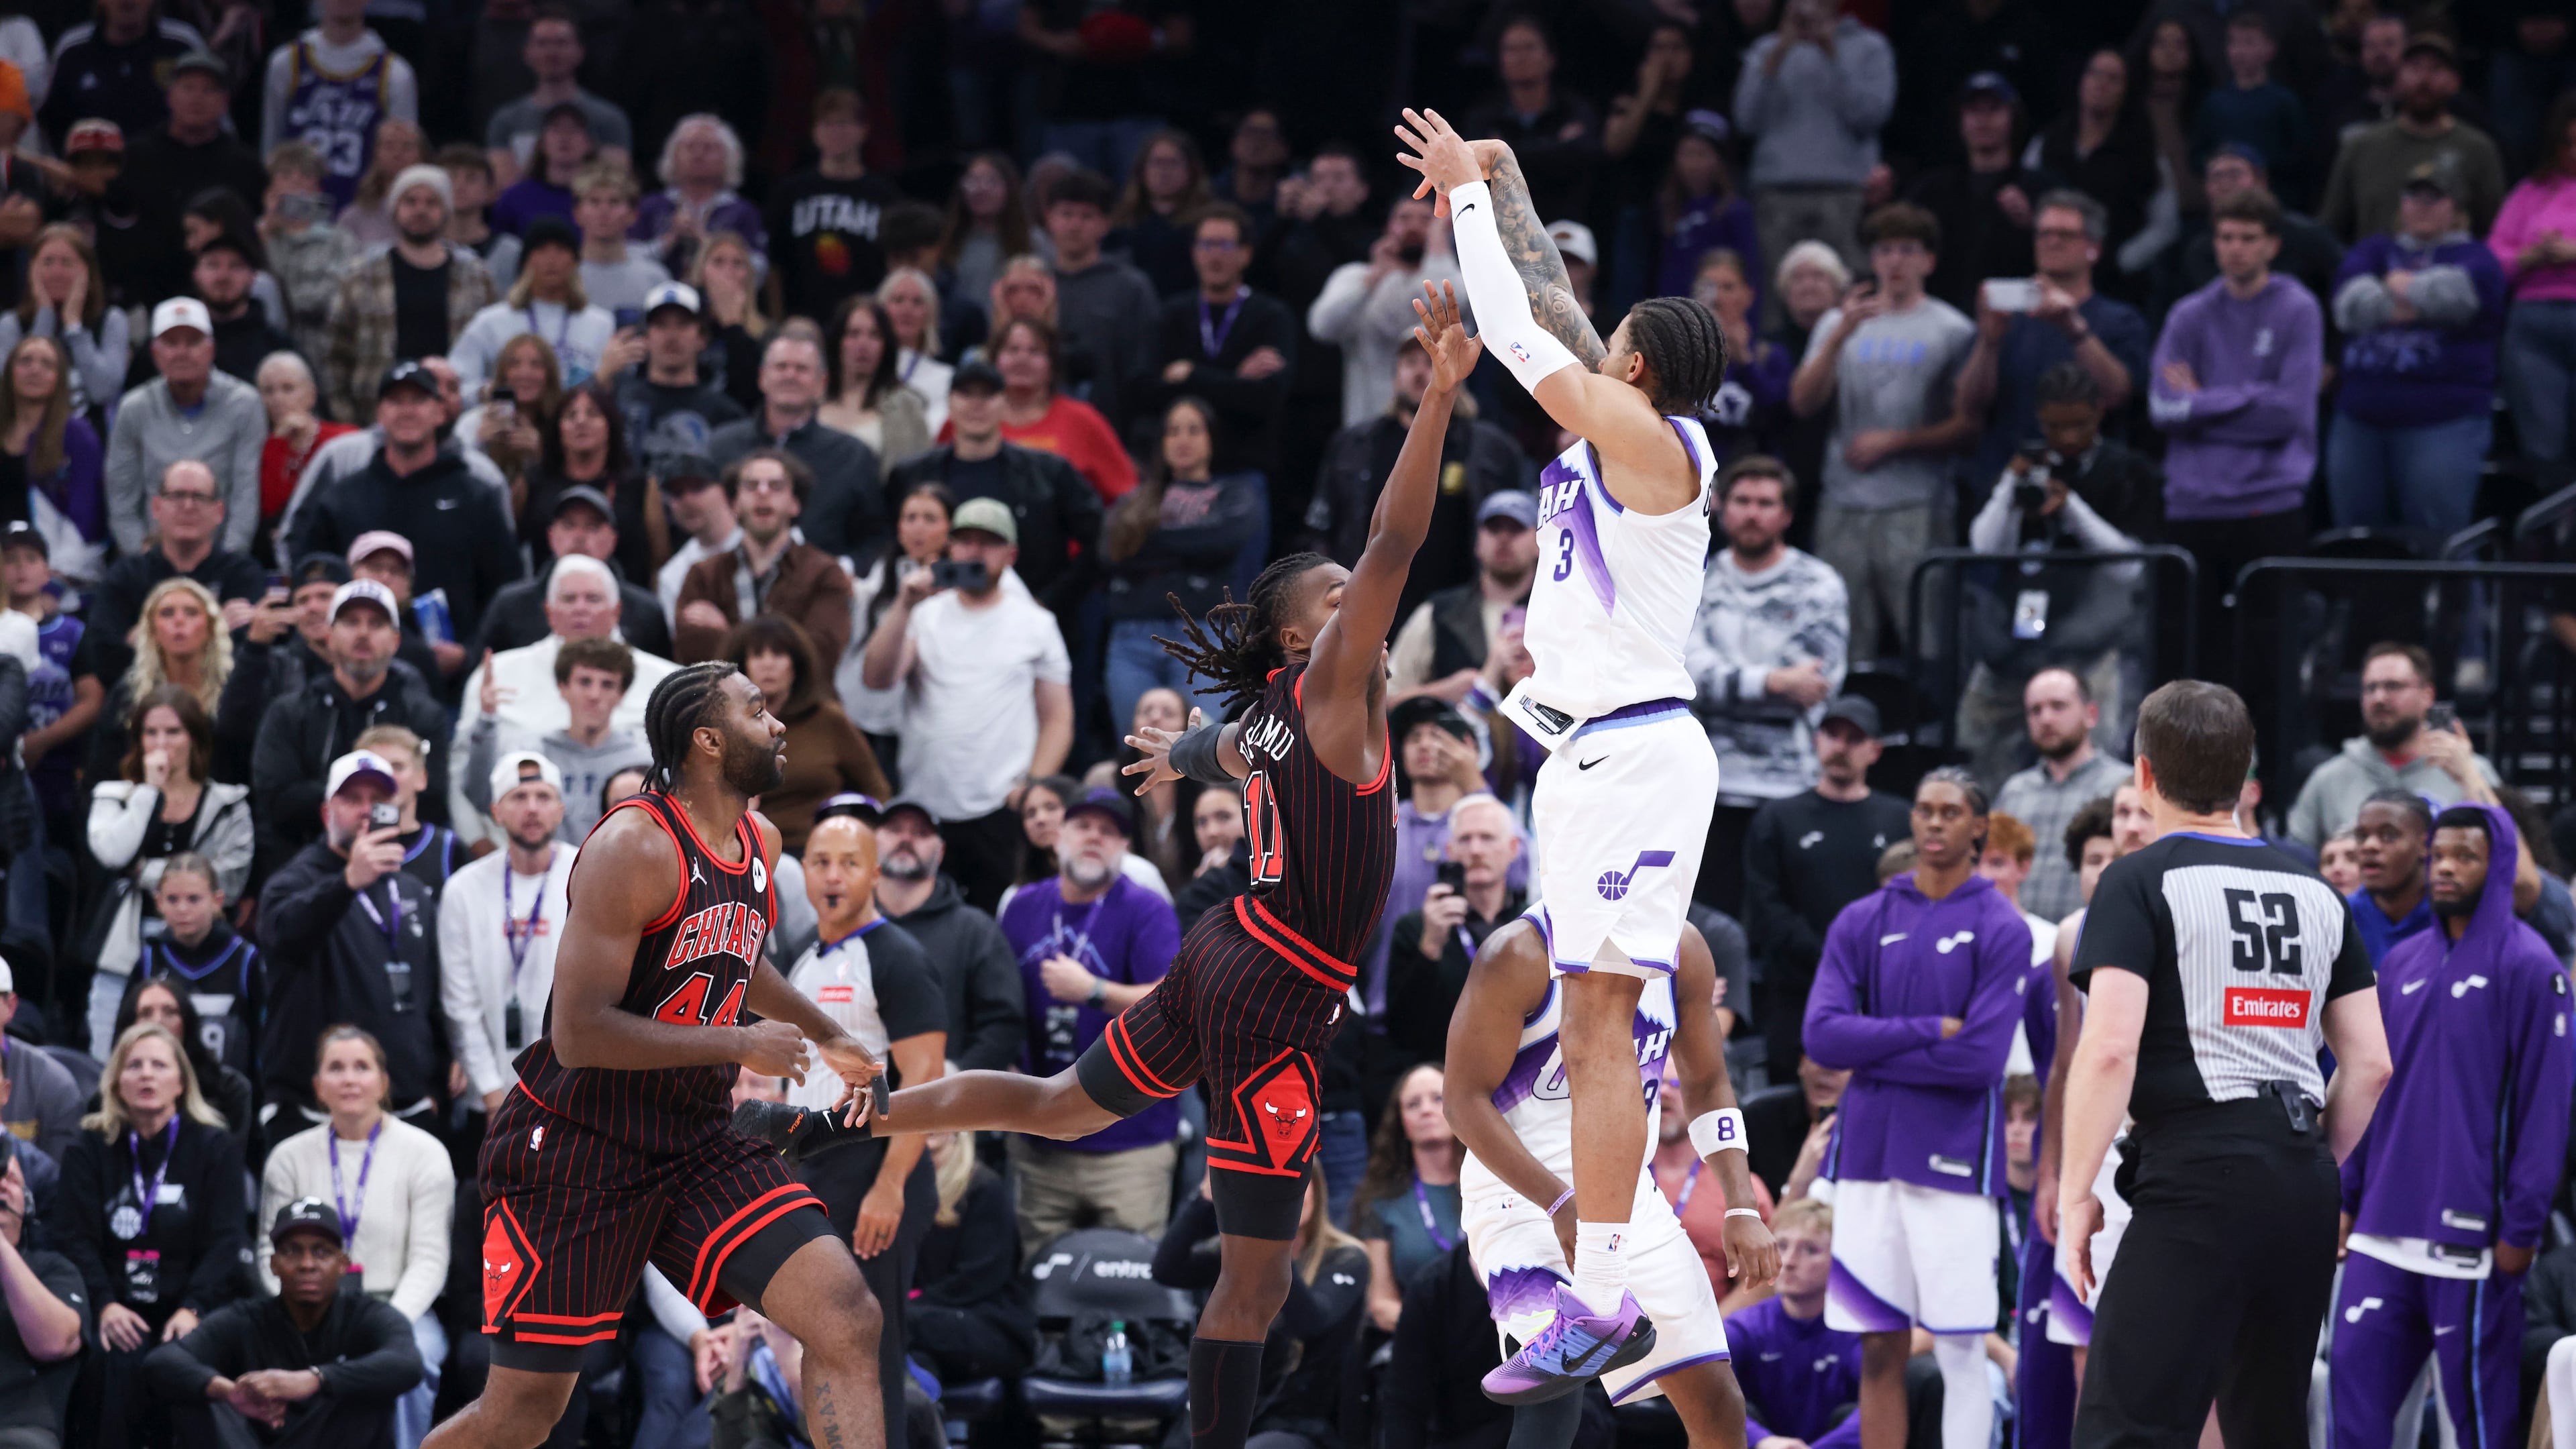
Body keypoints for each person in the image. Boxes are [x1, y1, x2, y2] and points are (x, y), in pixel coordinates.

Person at [827, 279, 1472, 1449]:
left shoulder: (1277, 712)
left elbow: (1218, 743)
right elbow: (1395, 537)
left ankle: (863, 1117)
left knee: (1059, 1107)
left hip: (1224, 952)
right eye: (1333, 604)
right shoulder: (1331, 687)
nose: (1357, 607)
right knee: (1258, 1282)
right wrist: (1434, 400)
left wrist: (1170, 753)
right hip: (1276, 985)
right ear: (1302, 637)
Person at [423, 661, 888, 1449]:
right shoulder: (631, 846)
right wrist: (739, 1040)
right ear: (708, 740)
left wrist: (828, 1032)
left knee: (846, 1314)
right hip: (576, 1147)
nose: (778, 726)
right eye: (756, 711)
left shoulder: (761, 838)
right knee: (525, 1415)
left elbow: (745, 959)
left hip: (695, 1136)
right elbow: (579, 1032)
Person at [2057, 680, 2392, 1444]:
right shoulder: (2315, 888)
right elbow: (2371, 1062)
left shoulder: (2139, 878)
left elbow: (2109, 1046)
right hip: (2302, 1177)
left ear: (2144, 775)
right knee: (2266, 1429)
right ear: (2246, 773)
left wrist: (2078, 1193)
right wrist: (2305, 1160)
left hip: (2197, 1174)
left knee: (2126, 1426)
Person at [1446, 910, 1778, 1434]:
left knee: (1718, 1403)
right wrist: (1556, 1201)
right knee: (1552, 1396)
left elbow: (1708, 1081)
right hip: (1521, 1197)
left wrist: (1741, 1203)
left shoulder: (1682, 948)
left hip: (1629, 1196)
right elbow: (1462, 1102)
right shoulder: (1520, 953)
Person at [1801, 767, 2030, 1449]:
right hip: (1868, 1160)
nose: (1933, 822)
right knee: (1878, 1344)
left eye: (1950, 812)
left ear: (1978, 825)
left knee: (1961, 1345)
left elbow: (1980, 1061)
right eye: (1924, 810)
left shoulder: (2000, 924)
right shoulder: (1863, 918)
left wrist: (1870, 1050)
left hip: (1955, 1162)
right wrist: (1929, 1029)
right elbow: (1820, 1036)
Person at [2330, 801, 2569, 1448]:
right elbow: (2371, 1086)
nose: (2445, 869)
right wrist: (2347, 1195)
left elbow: (2545, 1114)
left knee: (2476, 1427)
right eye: (2438, 855)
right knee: (2350, 1406)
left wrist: (2520, 1229)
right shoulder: (2402, 962)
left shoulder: (2531, 966)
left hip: (2472, 1244)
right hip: (2381, 1230)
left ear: (2498, 868)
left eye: (2465, 856)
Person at [743, 809, 945, 1448]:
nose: (833, 876)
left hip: (876, 1170)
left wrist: (891, 1186)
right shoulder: (804, 958)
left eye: (849, 864)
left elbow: (927, 1081)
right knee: (830, 1341)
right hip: (815, 1167)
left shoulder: (896, 957)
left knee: (874, 1349)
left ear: (875, 875)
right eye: (822, 863)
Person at [2149, 189, 2324, 694]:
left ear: (2272, 245)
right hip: (2192, 507)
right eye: (2226, 237)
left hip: (2268, 504)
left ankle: (2270, 769)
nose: (2236, 248)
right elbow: (2162, 409)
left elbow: (2287, 413)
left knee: (2267, 659)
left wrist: (2201, 404)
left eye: (2248, 238)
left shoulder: (2298, 309)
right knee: (2185, 663)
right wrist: (2247, 399)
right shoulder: (2188, 314)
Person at [860, 498, 1073, 910]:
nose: (975, 551)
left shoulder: (1035, 623)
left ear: (1010, 555)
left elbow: (1058, 718)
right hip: (926, 806)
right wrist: (904, 605)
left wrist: (1031, 787)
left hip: (1000, 806)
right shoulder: (924, 614)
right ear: (950, 549)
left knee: (998, 918)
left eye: (988, 543)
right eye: (966, 541)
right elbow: (877, 679)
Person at [1787, 203, 1977, 662]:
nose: (1895, 261)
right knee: (1842, 638)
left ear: (1928, 261)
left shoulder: (1952, 328)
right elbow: (1802, 402)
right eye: (1886, 250)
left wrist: (1898, 441)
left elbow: (1969, 425)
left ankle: (1926, 724)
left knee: (1926, 634)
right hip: (1843, 500)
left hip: (1916, 502)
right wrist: (1838, 335)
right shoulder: (1840, 322)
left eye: (1907, 250)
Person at [256, 1026, 453, 1448]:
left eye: (362, 1067)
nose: (349, 1079)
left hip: (399, 1309)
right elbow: (268, 1254)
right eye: (336, 1068)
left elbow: (430, 1260)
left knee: (410, 1362)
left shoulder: (426, 1154)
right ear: (317, 1087)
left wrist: (385, 1326)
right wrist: (305, 1320)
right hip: (306, 1312)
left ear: (383, 1083)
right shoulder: (287, 1157)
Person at [62, 1021, 248, 1449]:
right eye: (135, 1066)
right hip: (113, 1303)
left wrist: (194, 1309)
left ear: (181, 1082)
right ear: (117, 1081)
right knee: (115, 1359)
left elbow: (226, 1241)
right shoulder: (88, 1148)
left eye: (159, 1065)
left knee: (182, 1362)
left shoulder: (214, 1148)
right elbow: (75, 1239)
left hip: (191, 1305)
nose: (147, 1074)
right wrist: (104, 1304)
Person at [253, 745, 444, 1132]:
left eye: (378, 800)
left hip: (404, 1101)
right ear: (327, 814)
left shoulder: (410, 890)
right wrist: (346, 883)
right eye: (352, 799)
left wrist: (438, 1074)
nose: (365, 810)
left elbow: (433, 989)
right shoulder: (293, 881)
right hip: (313, 1110)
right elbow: (283, 933)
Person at [1688, 457, 1847, 917]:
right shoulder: (1698, 579)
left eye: (1765, 503)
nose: (1752, 513)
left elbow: (1820, 683)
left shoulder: (1818, 584)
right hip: (1713, 786)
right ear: (1720, 507)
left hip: (1790, 786)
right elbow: (1690, 676)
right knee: (1714, 926)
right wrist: (1774, 682)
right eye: (1742, 501)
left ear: (1786, 515)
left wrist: (1732, 683)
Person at [146, 1195, 423, 1449]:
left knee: (372, 1389)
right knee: (194, 1393)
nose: (306, 1264)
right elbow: (162, 1361)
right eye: (291, 1252)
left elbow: (407, 1362)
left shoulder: (366, 1314)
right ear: (273, 1264)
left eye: (322, 1252)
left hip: (334, 1437)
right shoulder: (246, 1318)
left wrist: (315, 1379)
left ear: (343, 1263)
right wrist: (230, 1392)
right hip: (258, 1441)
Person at [288, 364, 524, 654]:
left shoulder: (476, 497)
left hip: (453, 674)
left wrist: (469, 655)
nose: (407, 411)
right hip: (355, 666)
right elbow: (311, 577)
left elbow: (505, 590)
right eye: (396, 401)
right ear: (380, 414)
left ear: (440, 412)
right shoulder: (343, 497)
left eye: (419, 401)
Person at [2325, 162, 2508, 537]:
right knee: (2356, 540)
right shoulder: (2373, 248)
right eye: (2414, 197)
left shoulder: (2478, 258)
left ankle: (2455, 599)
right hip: (2359, 418)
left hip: (2444, 419)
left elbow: (2462, 296)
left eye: (2434, 198)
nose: (2422, 206)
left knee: (2440, 538)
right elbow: (2348, 306)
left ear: (2455, 207)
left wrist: (2394, 285)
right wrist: (2418, 301)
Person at [1741, 690, 1911, 1089]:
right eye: (1833, 735)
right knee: (1792, 1109)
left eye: (1854, 739)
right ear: (1816, 741)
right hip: (1798, 994)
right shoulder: (1778, 819)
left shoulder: (1901, 819)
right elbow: (1765, 907)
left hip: (1878, 995)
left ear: (1875, 750)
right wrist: (1830, 959)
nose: (1841, 747)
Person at [1307, 336, 1527, 628]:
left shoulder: (1493, 448)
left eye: (1430, 362)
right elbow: (1322, 529)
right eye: (1410, 362)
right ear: (1396, 374)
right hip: (1373, 601)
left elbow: (1523, 524)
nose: (1421, 372)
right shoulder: (1354, 444)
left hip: (1460, 606)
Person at [1150, 1160, 1368, 1449]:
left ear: (1317, 1190)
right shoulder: (1235, 1259)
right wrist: (1205, 1198)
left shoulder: (1348, 1258)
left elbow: (1312, 1322)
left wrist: (1273, 1240)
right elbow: (1167, 1269)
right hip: (1233, 1412)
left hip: (1303, 1423)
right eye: (1268, 1188)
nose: (1283, 1197)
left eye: (1293, 1185)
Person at [85, 686, 252, 1053]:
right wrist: (150, 793)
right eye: (151, 732)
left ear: (195, 738)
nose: (162, 743)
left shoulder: (228, 803)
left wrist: (145, 872)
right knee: (111, 1063)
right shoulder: (114, 795)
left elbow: (230, 879)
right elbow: (114, 853)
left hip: (203, 957)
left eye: (174, 732)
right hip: (123, 952)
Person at [1953, 191, 2153, 484]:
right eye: (2044, 233)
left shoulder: (2121, 320)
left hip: (2093, 484)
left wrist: (2074, 329)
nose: (2052, 242)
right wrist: (1989, 342)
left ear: (2093, 249)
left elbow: (2117, 394)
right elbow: (1969, 406)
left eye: (2066, 234)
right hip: (2008, 479)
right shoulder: (2006, 318)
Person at [885, 359, 1103, 621]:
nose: (977, 404)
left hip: (1028, 619)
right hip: (933, 618)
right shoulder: (911, 476)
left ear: (1004, 403)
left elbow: (1099, 540)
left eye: (988, 394)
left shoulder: (1049, 472)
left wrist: (1047, 601)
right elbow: (885, 542)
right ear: (950, 403)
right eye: (966, 394)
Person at [1099, 398, 1265, 729]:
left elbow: (1223, 540)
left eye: (1194, 430)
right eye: (1173, 431)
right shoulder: (1135, 499)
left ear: (1212, 439)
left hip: (1204, 638)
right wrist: (1193, 550)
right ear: (1161, 443)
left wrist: (1149, 542)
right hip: (1133, 637)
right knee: (1135, 750)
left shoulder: (1235, 493)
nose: (1183, 439)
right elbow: (1110, 552)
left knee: (1196, 751)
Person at [441, 749, 577, 1124]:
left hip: (573, 1091)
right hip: (492, 1095)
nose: (532, 808)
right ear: (496, 812)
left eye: (543, 797)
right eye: (518, 797)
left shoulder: (586, 873)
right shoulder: (463, 889)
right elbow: (460, 1001)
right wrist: (490, 1094)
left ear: (560, 809)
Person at [1733, 0, 1896, 299]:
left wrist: (1831, 53)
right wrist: (1780, 52)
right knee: (1776, 297)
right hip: (1776, 194)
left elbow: (1870, 115)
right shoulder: (1765, 49)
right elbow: (1746, 119)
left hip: (1845, 193)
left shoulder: (1870, 47)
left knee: (1848, 291)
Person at [321, 166, 500, 427]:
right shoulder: (360, 275)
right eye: (411, 201)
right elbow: (334, 354)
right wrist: (346, 420)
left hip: (456, 420)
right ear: (395, 210)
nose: (421, 210)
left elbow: (494, 352)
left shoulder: (475, 275)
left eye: (431, 202)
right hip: (374, 419)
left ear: (446, 211)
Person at [1128, 205, 1295, 481]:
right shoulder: (1171, 315)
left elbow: (1267, 397)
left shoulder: (1271, 317)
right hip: (1175, 472)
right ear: (1194, 252)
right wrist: (1236, 379)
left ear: (1246, 253)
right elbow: (1143, 389)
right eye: (1207, 245)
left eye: (1225, 245)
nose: (1215, 255)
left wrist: (1191, 375)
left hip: (1244, 469)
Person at [2287, 642, 2502, 847]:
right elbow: (2294, 863)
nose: (2379, 698)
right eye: (2370, 688)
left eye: (2393, 686)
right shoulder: (2329, 779)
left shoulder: (2469, 771)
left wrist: (2468, 775)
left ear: (2427, 695)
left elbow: (2511, 858)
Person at [106, 300, 269, 558]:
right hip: (150, 560)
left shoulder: (244, 404)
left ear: (211, 350)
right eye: (171, 343)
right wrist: (143, 562)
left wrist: (227, 562)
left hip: (222, 560)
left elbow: (245, 495)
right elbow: (122, 499)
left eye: (193, 342)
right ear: (156, 353)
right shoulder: (134, 408)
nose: (182, 352)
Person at [85, 459, 267, 690]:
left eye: (199, 497)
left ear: (219, 511)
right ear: (157, 508)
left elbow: (245, 657)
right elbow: (104, 657)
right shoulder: (125, 575)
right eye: (177, 496)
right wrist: (217, 625)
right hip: (141, 702)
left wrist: (146, 636)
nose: (188, 506)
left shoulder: (243, 573)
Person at [706, 331, 883, 557]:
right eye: (781, 367)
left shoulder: (854, 455)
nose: (790, 375)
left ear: (822, 383)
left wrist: (846, 572)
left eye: (802, 369)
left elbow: (876, 538)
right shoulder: (720, 447)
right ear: (762, 377)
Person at [2318, 34, 2506, 244]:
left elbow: (2495, 235)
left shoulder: (2479, 149)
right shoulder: (2360, 146)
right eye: (2414, 67)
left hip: (2452, 272)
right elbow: (2330, 228)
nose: (2424, 79)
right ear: (2398, 78)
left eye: (2436, 69)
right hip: (2372, 272)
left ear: (2455, 82)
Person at [1382, 794, 1525, 1068]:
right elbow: (1402, 1033)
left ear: (1513, 848)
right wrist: (1430, 948)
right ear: (1449, 851)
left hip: (1521, 1070)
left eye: (1487, 838)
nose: (1476, 850)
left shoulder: (1533, 925)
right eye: (1465, 839)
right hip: (1443, 1073)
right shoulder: (1416, 928)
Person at [674, 451, 854, 665]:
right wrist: (785, 645)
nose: (763, 493)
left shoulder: (825, 573)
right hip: (724, 699)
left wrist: (729, 634)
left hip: (801, 700)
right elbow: (691, 653)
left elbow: (822, 654)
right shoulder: (703, 575)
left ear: (795, 503)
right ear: (734, 504)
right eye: (751, 486)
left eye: (776, 486)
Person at [724, 617, 886, 851]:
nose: (768, 664)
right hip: (749, 849)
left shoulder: (828, 719)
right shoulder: (726, 724)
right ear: (742, 666)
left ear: (796, 666)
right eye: (758, 655)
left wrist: (860, 840)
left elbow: (876, 790)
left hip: (823, 849)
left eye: (779, 655)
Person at [1309, 195, 1462, 431]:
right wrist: (1374, 277)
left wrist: (1438, 244)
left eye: (1426, 220)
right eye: (1404, 218)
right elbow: (1322, 327)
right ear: (1388, 227)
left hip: (1442, 429)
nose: (1413, 227)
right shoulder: (1356, 276)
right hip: (1368, 425)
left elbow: (1452, 303)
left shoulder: (1454, 279)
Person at [1992, 669, 2134, 922]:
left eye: (2058, 706)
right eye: (2035, 710)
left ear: (2091, 714)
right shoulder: (2014, 791)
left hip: (2093, 939)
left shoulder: (2124, 787)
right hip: (2018, 943)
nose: (2046, 719)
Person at [89, 576, 236, 800]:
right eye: (167, 613)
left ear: (210, 627)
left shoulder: (235, 689)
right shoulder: (128, 694)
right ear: (152, 631)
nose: (179, 621)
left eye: (191, 613)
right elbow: (103, 772)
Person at [258, 0, 417, 205]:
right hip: (296, 211)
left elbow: (404, 162)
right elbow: (271, 148)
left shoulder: (396, 74)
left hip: (364, 212)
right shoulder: (286, 63)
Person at [2491, 95, 2576, 474]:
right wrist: (2531, 256)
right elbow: (2491, 261)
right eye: (2568, 142)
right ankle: (2554, 527)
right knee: (2543, 449)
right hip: (2533, 330)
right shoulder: (2531, 191)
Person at [764, 88, 900, 325]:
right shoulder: (791, 192)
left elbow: (895, 263)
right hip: (802, 319)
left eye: (845, 124)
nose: (836, 133)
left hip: (865, 321)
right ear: (814, 132)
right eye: (828, 124)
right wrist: (778, 318)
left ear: (863, 130)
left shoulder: (884, 195)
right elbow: (774, 263)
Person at [1038, 167, 1157, 433]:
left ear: (1106, 224)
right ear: (1049, 219)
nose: (1075, 225)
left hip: (1111, 432)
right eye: (1066, 214)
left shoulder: (1131, 288)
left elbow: (1143, 375)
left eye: (1087, 216)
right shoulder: (1032, 284)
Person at [1345, 1063, 1459, 1332]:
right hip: (1423, 1344)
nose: (1427, 1110)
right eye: (1413, 1104)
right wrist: (1436, 1332)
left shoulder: (1493, 1188)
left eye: (1438, 1098)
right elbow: (1382, 1304)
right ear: (1401, 1122)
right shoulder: (1380, 1201)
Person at [449, 217, 613, 393]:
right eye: (541, 250)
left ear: (575, 262)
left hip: (577, 417)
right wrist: (491, 392)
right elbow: (456, 381)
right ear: (526, 262)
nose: (551, 260)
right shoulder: (491, 321)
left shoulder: (600, 324)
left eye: (561, 250)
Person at [0, 1120, 85, 1445]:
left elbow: (54, 1343)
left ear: (28, 1202)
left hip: (18, 1425)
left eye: (11, 1180)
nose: (2, 1187)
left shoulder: (54, 1270)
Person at [483, 9, 631, 189]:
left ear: (580, 51)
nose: (551, 53)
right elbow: (503, 187)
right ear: (527, 53)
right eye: (542, 44)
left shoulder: (609, 119)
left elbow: (617, 185)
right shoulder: (505, 120)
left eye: (561, 43)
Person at [0, 335, 106, 586]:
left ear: (60, 378)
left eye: (47, 365)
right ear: (9, 371)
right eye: (25, 361)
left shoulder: (78, 435)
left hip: (56, 571)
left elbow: (87, 512)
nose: (35, 370)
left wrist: (56, 578)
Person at [0, 225, 131, 420]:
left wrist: (74, 327)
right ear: (32, 270)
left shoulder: (112, 320)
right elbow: (13, 392)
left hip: (91, 441)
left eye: (67, 263)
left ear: (87, 272)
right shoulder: (11, 324)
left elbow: (103, 391)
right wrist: (45, 316)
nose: (57, 272)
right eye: (48, 262)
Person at [633, 115, 764, 282]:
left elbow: (758, 271)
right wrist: (668, 240)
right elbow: (625, 260)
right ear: (673, 155)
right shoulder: (651, 206)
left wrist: (705, 242)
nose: (698, 154)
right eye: (690, 147)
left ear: (729, 158)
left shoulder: (742, 212)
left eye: (709, 148)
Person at [815, 297, 925, 474]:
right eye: (853, 334)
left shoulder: (906, 407)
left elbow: (915, 476)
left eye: (875, 335)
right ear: (838, 342)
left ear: (886, 345)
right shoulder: (811, 402)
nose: (863, 345)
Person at [2348, 788, 2435, 967]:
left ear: (2426, 845)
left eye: (2389, 836)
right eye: (2361, 836)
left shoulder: (2453, 918)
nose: (2369, 846)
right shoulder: (2340, 916)